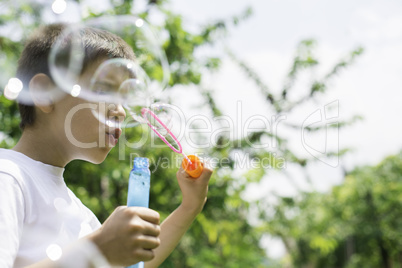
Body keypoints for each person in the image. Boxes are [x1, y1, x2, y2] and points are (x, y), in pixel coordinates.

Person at [0, 23, 212, 267]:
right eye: (104, 89)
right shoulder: (7, 177)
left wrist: (189, 208)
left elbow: (132, 264)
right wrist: (97, 248)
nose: (121, 111)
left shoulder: (79, 213)